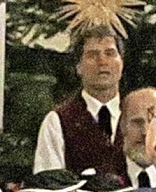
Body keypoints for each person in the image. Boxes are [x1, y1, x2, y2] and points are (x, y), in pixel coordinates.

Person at [33, 25, 126, 178]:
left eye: (110, 53)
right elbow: (50, 185)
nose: (102, 61)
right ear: (78, 67)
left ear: (121, 63)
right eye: (93, 55)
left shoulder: (135, 114)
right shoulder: (58, 121)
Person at [121, 88, 156, 188]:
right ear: (122, 125)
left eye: (153, 123)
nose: (145, 132)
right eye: (137, 122)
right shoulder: (104, 178)